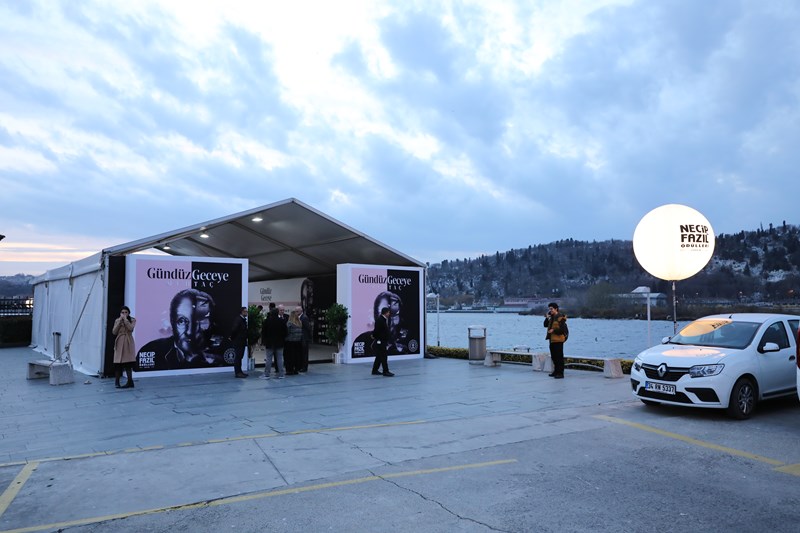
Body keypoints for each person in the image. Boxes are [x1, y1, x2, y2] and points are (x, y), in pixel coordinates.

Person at [137, 288, 228, 371]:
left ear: (211, 323)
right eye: (181, 321)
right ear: (172, 322)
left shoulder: (221, 354)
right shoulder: (152, 350)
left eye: (199, 322)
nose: (189, 332)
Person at [112, 306, 137, 388]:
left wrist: (126, 320)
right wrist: (120, 321)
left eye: (126, 312)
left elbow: (131, 328)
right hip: (119, 342)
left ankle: (130, 382)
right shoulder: (117, 320)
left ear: (129, 313)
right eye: (122, 312)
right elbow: (114, 332)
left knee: (128, 363)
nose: (124, 314)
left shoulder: (132, 320)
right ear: (120, 313)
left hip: (128, 342)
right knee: (118, 363)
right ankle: (117, 382)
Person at [544, 302, 568, 379]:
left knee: (559, 357)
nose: (550, 310)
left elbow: (562, 330)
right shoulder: (551, 317)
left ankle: (560, 373)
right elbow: (545, 325)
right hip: (552, 339)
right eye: (549, 309)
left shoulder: (560, 317)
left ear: (556, 309)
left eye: (551, 309)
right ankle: (556, 371)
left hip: (558, 340)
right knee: (554, 356)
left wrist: (553, 330)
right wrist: (547, 318)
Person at [261, 307, 287, 379]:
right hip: (280, 343)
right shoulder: (282, 321)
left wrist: (264, 341)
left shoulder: (266, 321)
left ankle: (266, 374)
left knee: (268, 359)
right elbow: (285, 332)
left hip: (269, 343)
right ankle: (281, 374)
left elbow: (263, 332)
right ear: (277, 313)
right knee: (280, 358)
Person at [371, 306, 394, 377]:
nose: (389, 314)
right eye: (388, 312)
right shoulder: (380, 320)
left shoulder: (383, 320)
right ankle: (385, 371)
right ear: (386, 313)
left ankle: (375, 370)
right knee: (384, 356)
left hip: (383, 340)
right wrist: (374, 336)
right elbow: (377, 330)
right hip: (381, 341)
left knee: (379, 356)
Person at [230, 306, 248, 378]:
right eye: (245, 311)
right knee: (238, 357)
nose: (247, 313)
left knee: (240, 357)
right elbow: (234, 329)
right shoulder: (238, 320)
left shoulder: (242, 320)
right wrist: (232, 338)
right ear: (242, 312)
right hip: (238, 341)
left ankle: (240, 371)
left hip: (241, 341)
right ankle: (237, 372)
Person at [284, 309, 303, 375]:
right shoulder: (300, 323)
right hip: (298, 342)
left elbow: (287, 332)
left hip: (290, 342)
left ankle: (289, 370)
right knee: (296, 356)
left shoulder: (289, 323)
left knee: (289, 357)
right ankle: (296, 369)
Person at [296, 305, 312, 372]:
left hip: (304, 338)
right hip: (299, 338)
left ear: (301, 311)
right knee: (300, 353)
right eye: (296, 311)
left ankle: (304, 367)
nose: (296, 312)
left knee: (304, 353)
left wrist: (308, 337)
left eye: (297, 311)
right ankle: (300, 366)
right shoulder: (297, 317)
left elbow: (308, 328)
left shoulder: (304, 318)